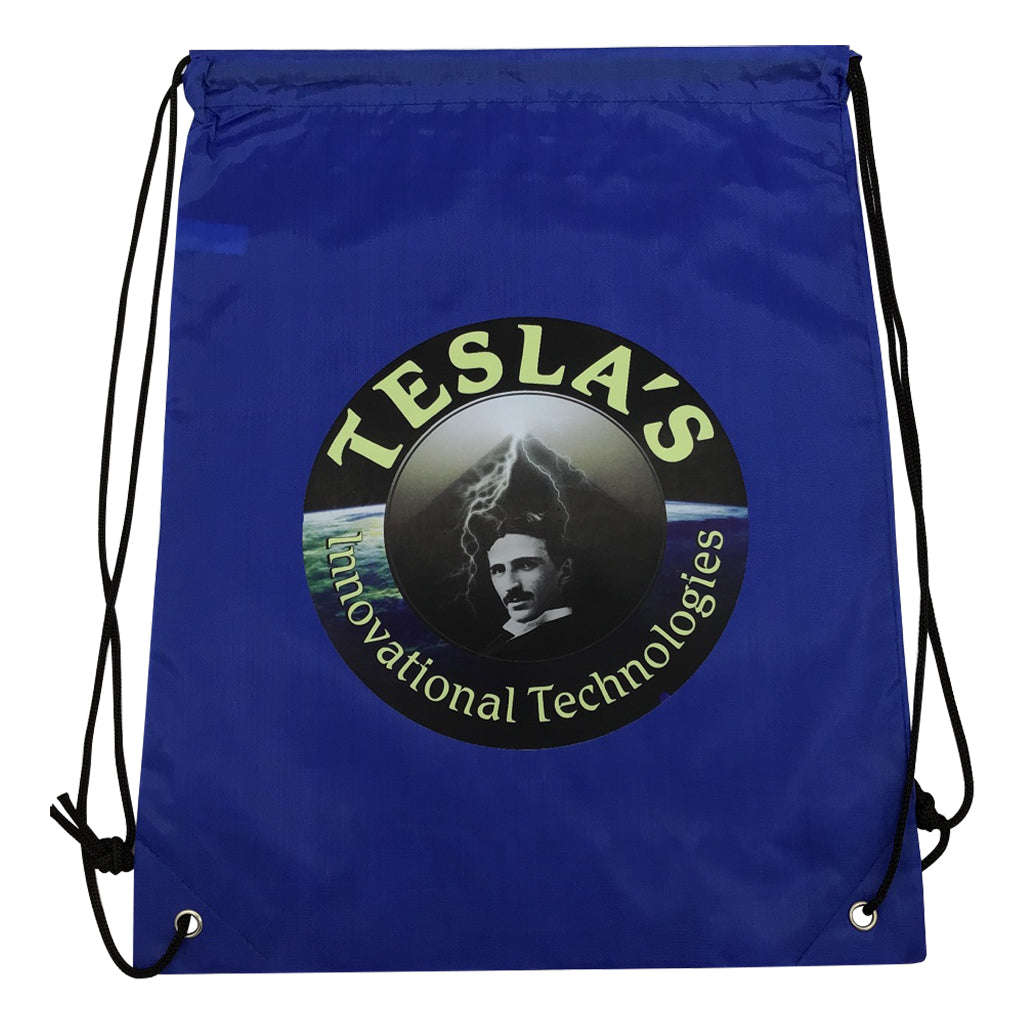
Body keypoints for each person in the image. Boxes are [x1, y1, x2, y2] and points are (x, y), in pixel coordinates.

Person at [483, 511, 588, 659]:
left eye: (526, 565)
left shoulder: (576, 641)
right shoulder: (501, 641)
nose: (510, 585)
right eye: (498, 570)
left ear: (565, 570)